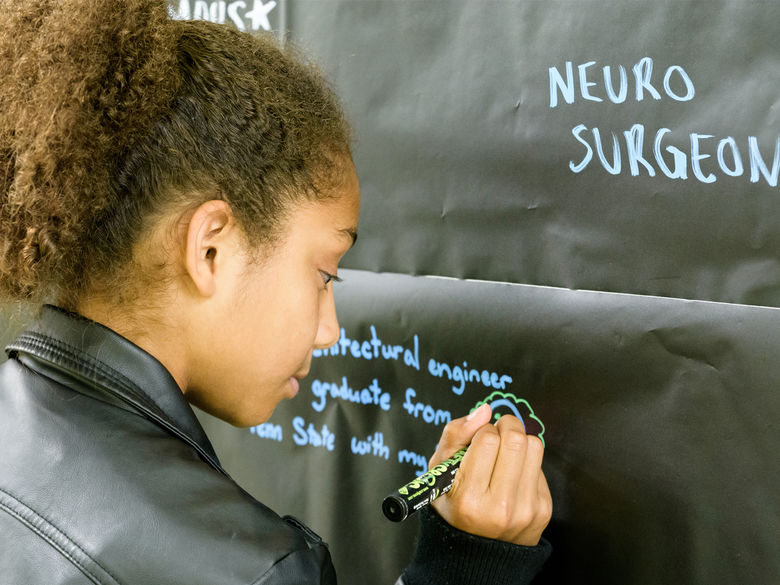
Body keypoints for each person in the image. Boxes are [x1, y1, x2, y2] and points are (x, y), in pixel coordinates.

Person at [0, 1, 552, 583]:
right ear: (209, 248)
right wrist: (462, 568)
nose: (329, 329)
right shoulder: (254, 570)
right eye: (324, 275)